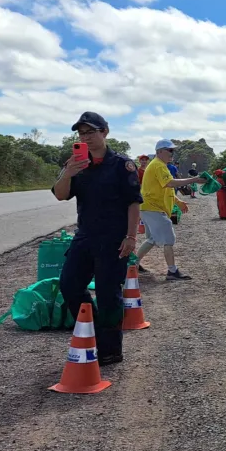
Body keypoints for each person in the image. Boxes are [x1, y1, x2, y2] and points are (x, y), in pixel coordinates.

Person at [52, 112, 142, 365]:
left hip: (114, 239)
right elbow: (60, 195)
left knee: (108, 293)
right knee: (69, 285)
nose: (86, 137)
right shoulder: (77, 165)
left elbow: (133, 203)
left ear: (105, 132)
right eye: (81, 134)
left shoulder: (122, 165)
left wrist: (131, 237)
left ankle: (110, 349)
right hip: (85, 237)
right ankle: (90, 332)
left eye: (91, 132)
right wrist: (68, 173)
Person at [136, 139, 205, 280]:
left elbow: (164, 188)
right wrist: (193, 179)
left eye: (173, 150)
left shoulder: (159, 165)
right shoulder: (158, 165)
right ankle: (172, 271)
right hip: (153, 208)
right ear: (159, 151)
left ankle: (133, 264)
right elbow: (169, 183)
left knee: (152, 239)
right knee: (168, 238)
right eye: (170, 150)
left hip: (148, 207)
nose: (172, 153)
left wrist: (177, 201)